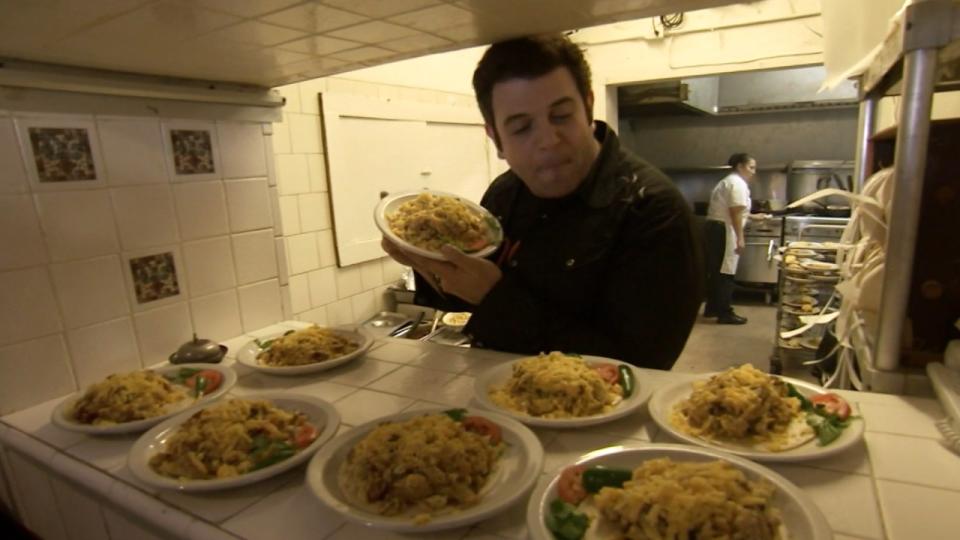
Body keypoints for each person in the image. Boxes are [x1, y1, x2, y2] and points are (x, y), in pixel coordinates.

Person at [381, 34, 703, 369]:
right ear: (496, 139)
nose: (548, 141)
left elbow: (641, 364)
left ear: (588, 108)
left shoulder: (653, 210)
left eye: (561, 115)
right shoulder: (504, 195)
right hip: (496, 397)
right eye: (521, 128)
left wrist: (495, 299)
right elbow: (468, 294)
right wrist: (428, 264)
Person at [703, 152, 757, 325]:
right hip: (723, 230)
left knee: (717, 272)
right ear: (740, 166)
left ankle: (712, 309)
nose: (753, 171)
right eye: (751, 167)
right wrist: (740, 238)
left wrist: (756, 217)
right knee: (726, 273)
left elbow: (734, 210)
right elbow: (734, 212)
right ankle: (725, 313)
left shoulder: (729, 181)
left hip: (715, 228)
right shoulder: (737, 183)